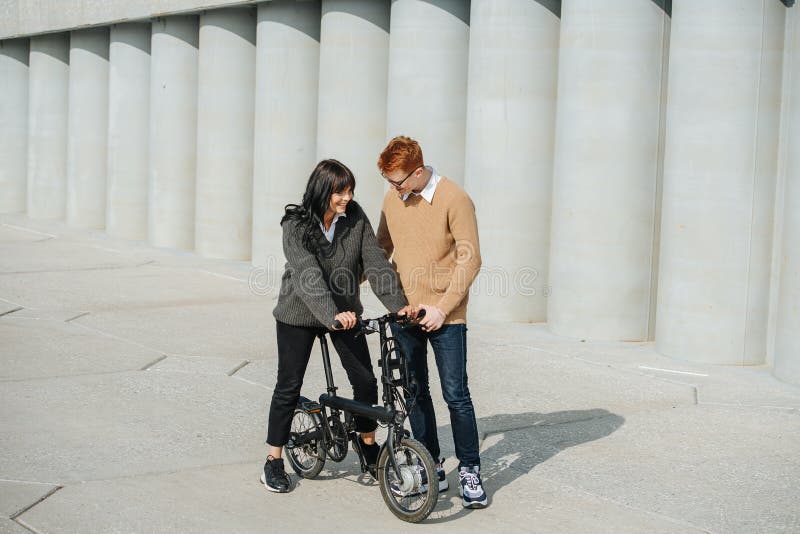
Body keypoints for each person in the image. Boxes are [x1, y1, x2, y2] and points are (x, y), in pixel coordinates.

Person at [261, 159, 411, 493]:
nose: (347, 197)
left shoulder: (355, 217)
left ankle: (367, 444)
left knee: (366, 381)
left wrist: (400, 307)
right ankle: (273, 460)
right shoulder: (296, 224)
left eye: (350, 190)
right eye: (339, 191)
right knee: (288, 385)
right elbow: (308, 274)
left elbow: (375, 262)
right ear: (322, 190)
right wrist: (330, 315)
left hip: (344, 312)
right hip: (298, 313)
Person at [376, 136, 488, 508]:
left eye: (399, 182)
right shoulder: (393, 199)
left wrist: (442, 307)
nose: (394, 189)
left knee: (456, 395)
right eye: (390, 183)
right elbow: (380, 250)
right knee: (415, 392)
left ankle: (470, 468)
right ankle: (432, 465)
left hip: (446, 316)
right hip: (405, 314)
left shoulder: (456, 199)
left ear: (419, 172)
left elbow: (470, 259)